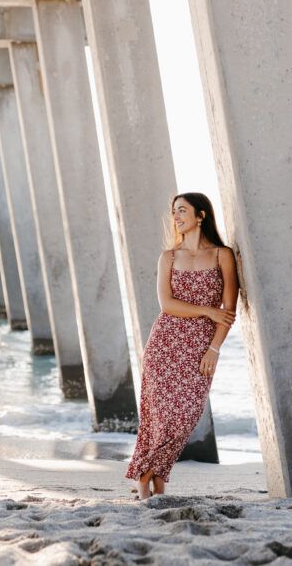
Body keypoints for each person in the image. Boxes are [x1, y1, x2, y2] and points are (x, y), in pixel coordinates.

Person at [125, 192, 239, 499]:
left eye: (182, 211)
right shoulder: (169, 257)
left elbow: (229, 310)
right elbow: (167, 305)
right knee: (158, 417)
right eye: (174, 212)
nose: (175, 217)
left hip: (200, 348)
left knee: (184, 417)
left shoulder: (222, 255)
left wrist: (214, 348)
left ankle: (145, 473)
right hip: (164, 344)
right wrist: (206, 310)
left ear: (200, 216)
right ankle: (154, 486)